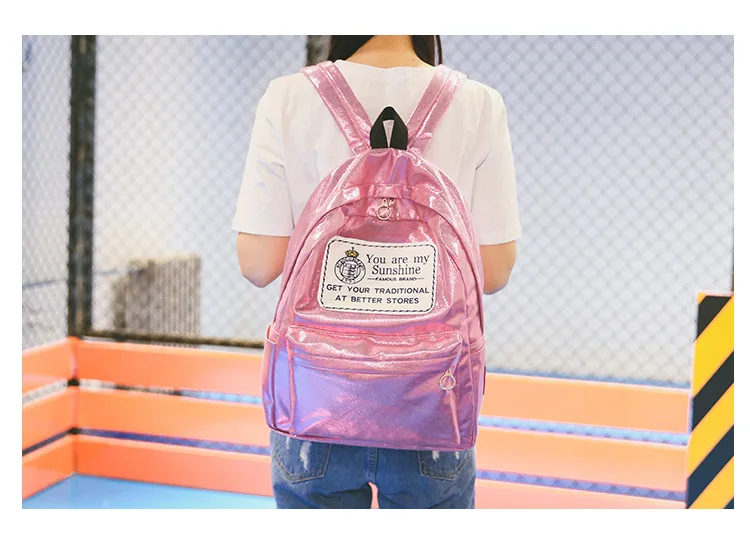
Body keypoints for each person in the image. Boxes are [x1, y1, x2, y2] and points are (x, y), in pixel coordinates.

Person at [232, 35, 521, 509]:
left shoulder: (288, 98)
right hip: (431, 399)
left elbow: (258, 264)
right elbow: (494, 271)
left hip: (317, 396)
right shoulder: (478, 103)